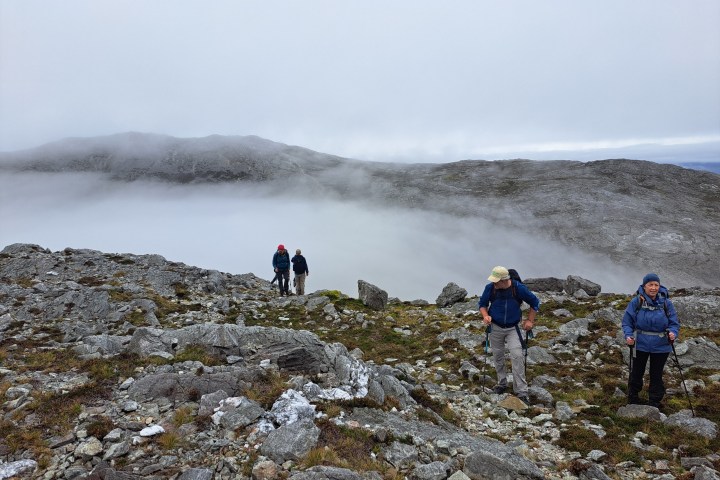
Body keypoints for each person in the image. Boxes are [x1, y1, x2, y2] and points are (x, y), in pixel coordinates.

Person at [478, 266, 540, 405]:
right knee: (497, 355)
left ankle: (522, 392)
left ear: (504, 280)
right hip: (495, 326)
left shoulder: (518, 288)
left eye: (496, 281)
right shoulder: (490, 288)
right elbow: (482, 304)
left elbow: (535, 302)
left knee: (517, 356)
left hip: (513, 328)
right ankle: (502, 383)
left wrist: (530, 320)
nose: (494, 283)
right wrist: (486, 316)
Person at [622, 273, 679, 408]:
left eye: (656, 285)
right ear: (644, 286)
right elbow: (627, 322)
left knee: (656, 374)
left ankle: (654, 401)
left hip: (661, 345)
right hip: (640, 343)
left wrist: (673, 333)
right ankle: (633, 397)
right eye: (650, 285)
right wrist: (628, 335)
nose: (653, 288)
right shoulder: (637, 302)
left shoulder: (666, 303)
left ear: (659, 286)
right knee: (637, 371)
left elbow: (674, 323)